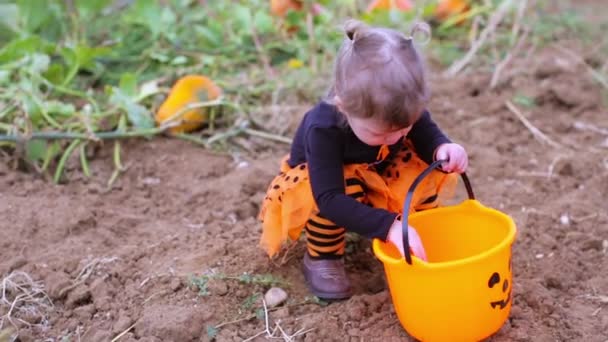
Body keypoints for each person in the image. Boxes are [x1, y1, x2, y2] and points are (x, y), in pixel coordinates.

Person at [258, 19, 468, 300]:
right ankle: (323, 257)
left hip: (380, 170)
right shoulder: (324, 128)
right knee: (340, 193)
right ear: (343, 106)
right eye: (380, 133)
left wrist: (443, 148)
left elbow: (426, 133)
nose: (395, 139)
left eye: (403, 129)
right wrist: (387, 225)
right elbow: (329, 199)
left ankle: (418, 235)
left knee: (422, 173)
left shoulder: (401, 110)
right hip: (329, 185)